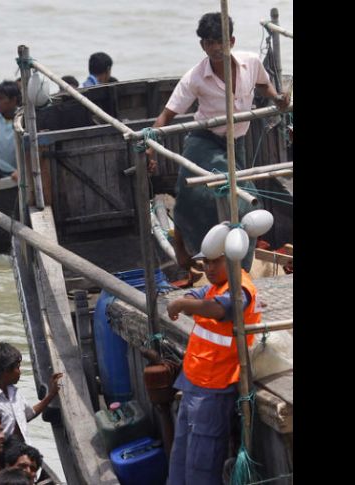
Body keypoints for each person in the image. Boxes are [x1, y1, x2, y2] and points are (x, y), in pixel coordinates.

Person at [146, 12, 290, 272]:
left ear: (231, 41)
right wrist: (150, 146)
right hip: (204, 141)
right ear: (202, 45)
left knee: (243, 209)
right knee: (202, 199)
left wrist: (278, 99)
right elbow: (167, 114)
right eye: (207, 42)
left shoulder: (251, 63)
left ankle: (238, 272)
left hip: (237, 142)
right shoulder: (196, 77)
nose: (213, 47)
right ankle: (184, 244)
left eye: (218, 41)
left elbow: (264, 87)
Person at [165, 251, 260, 485]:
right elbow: (194, 298)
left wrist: (181, 302)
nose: (208, 268)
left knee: (202, 465)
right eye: (205, 263)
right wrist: (188, 301)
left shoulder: (240, 287)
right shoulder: (213, 286)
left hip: (215, 388)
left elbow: (219, 309)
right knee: (181, 456)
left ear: (232, 259)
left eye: (214, 261)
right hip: (193, 381)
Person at [0, 343, 62, 444]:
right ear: (6, 370)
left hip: (24, 454)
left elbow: (28, 414)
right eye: (17, 368)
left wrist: (51, 394)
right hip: (1, 458)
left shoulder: (14, 393)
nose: (20, 372)